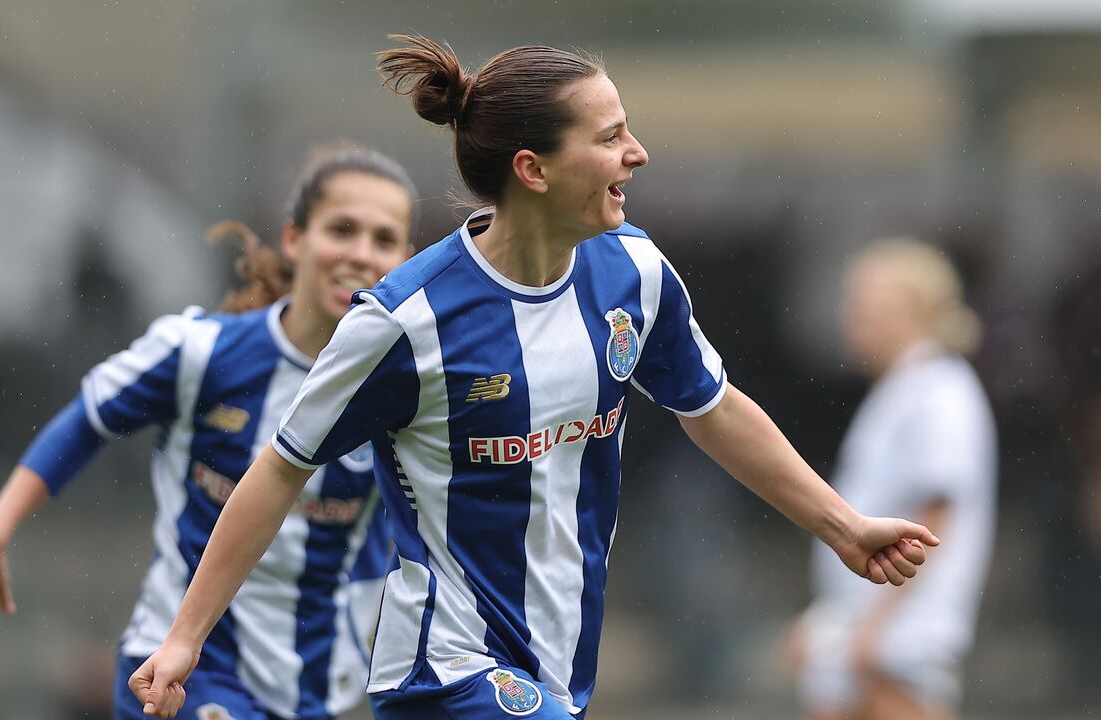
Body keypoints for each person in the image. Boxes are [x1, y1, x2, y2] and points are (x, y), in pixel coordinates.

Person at [129, 36, 941, 720]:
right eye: (611, 135)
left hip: (558, 661)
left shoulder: (635, 274)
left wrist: (844, 527)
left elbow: (714, 408)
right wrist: (184, 637)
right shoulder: (406, 321)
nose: (638, 152)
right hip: (440, 663)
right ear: (534, 169)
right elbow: (279, 466)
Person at [0, 146, 417, 720]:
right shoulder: (202, 352)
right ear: (295, 240)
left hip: (317, 692)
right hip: (181, 675)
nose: (360, 254)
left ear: (406, 259)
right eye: (342, 229)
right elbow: (89, 419)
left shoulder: (408, 388)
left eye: (383, 239)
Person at [784, 239, 997, 720]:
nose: (849, 319)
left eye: (864, 306)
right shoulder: (904, 388)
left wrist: (874, 630)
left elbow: (938, 515)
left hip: (895, 643)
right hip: (868, 634)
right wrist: (830, 623)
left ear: (911, 311)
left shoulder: (939, 388)